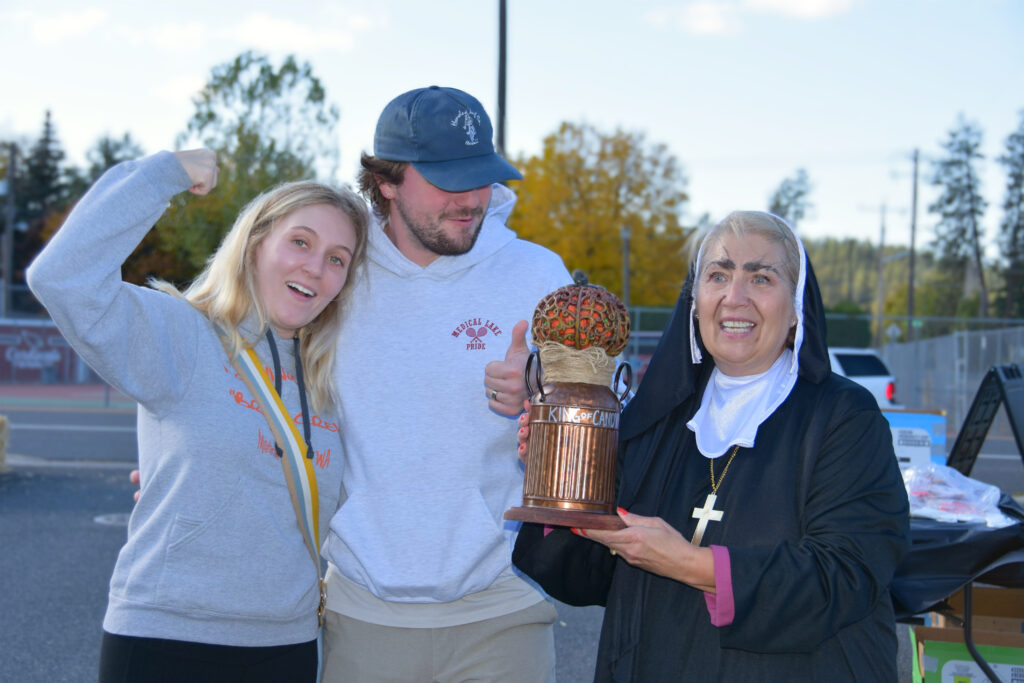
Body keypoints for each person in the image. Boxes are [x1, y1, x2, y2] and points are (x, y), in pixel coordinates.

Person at [512, 211, 910, 681]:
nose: (733, 298)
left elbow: (847, 573)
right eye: (717, 275)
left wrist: (691, 564)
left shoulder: (843, 416)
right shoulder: (654, 418)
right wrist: (563, 469)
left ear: (797, 306)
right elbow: (589, 575)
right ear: (695, 301)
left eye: (761, 277)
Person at [26, 148, 369, 682]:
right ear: (256, 244)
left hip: (288, 643)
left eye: (337, 258)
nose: (315, 268)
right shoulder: (181, 334)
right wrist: (161, 175)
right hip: (167, 637)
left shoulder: (328, 378)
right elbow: (62, 278)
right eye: (300, 242)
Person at [318, 86, 572, 682]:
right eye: (446, 179)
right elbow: (258, 374)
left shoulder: (538, 272)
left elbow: (606, 423)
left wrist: (543, 397)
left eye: (480, 176)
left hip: (504, 607)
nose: (471, 199)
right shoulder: (336, 273)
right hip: (362, 611)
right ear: (386, 181)